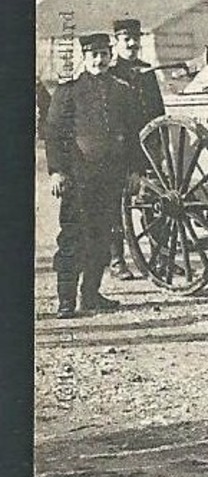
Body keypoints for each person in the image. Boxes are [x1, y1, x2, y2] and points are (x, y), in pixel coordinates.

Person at [44, 34, 144, 318]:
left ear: (111, 55)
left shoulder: (122, 91)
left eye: (103, 54)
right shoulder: (68, 92)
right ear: (84, 58)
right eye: (93, 55)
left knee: (103, 237)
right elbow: (54, 136)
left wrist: (136, 171)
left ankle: (90, 295)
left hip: (110, 179)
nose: (99, 60)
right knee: (74, 237)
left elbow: (134, 135)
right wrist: (57, 172)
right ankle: (66, 300)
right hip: (78, 179)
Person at [105, 18, 166, 280]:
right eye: (125, 39)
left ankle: (160, 256)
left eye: (135, 39)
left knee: (154, 202)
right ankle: (117, 260)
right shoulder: (110, 74)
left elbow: (158, 110)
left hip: (147, 147)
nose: (132, 44)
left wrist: (160, 146)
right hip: (119, 148)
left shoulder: (146, 71)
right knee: (117, 205)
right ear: (116, 42)